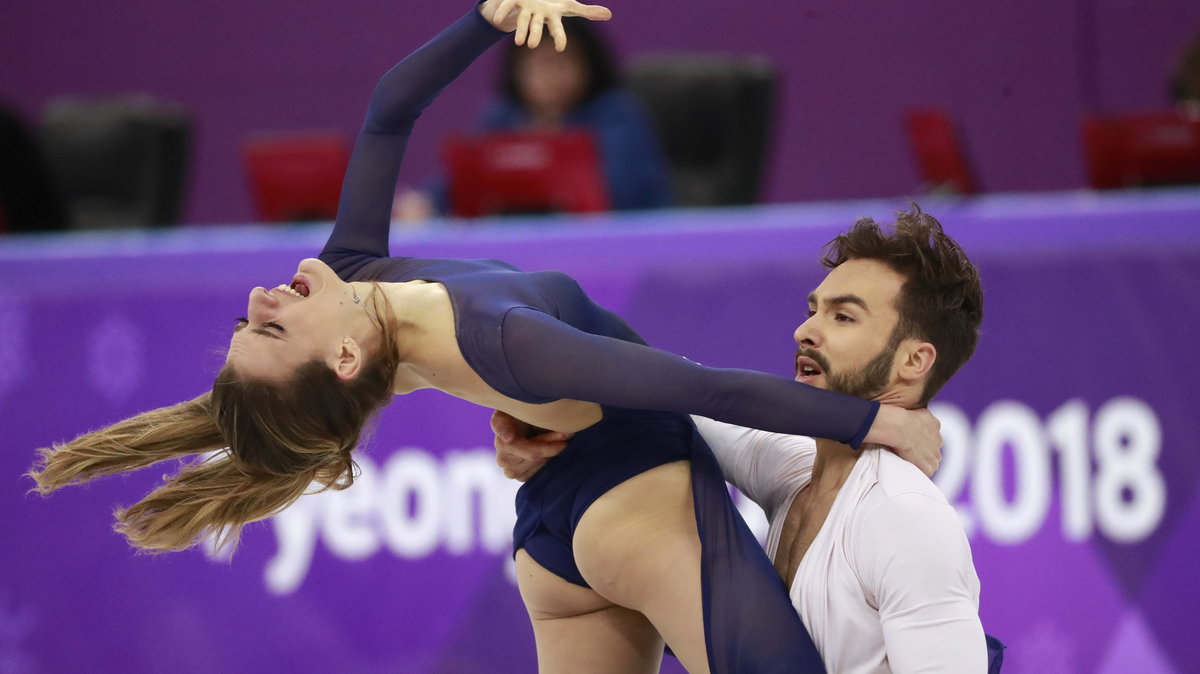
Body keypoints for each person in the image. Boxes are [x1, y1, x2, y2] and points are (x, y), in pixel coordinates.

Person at [27, 2, 942, 672]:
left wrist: (487, 16)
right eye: (273, 324)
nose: (267, 291)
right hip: (635, 505)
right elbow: (701, 388)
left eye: (248, 317)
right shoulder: (503, 341)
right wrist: (872, 425)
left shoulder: (360, 285)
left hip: (551, 542)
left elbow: (388, 112)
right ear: (341, 358)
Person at [495, 209, 1005, 672]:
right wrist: (542, 425)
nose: (806, 330)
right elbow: (675, 390)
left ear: (914, 361)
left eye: (843, 317)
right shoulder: (795, 469)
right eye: (815, 309)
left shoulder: (903, 515)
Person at [393, 12, 673, 219]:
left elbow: (621, 195)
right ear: (517, 71)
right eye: (539, 65)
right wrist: (425, 202)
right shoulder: (503, 116)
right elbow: (463, 180)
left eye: (562, 63)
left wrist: (549, 149)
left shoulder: (617, 114)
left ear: (589, 66)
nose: (551, 76)